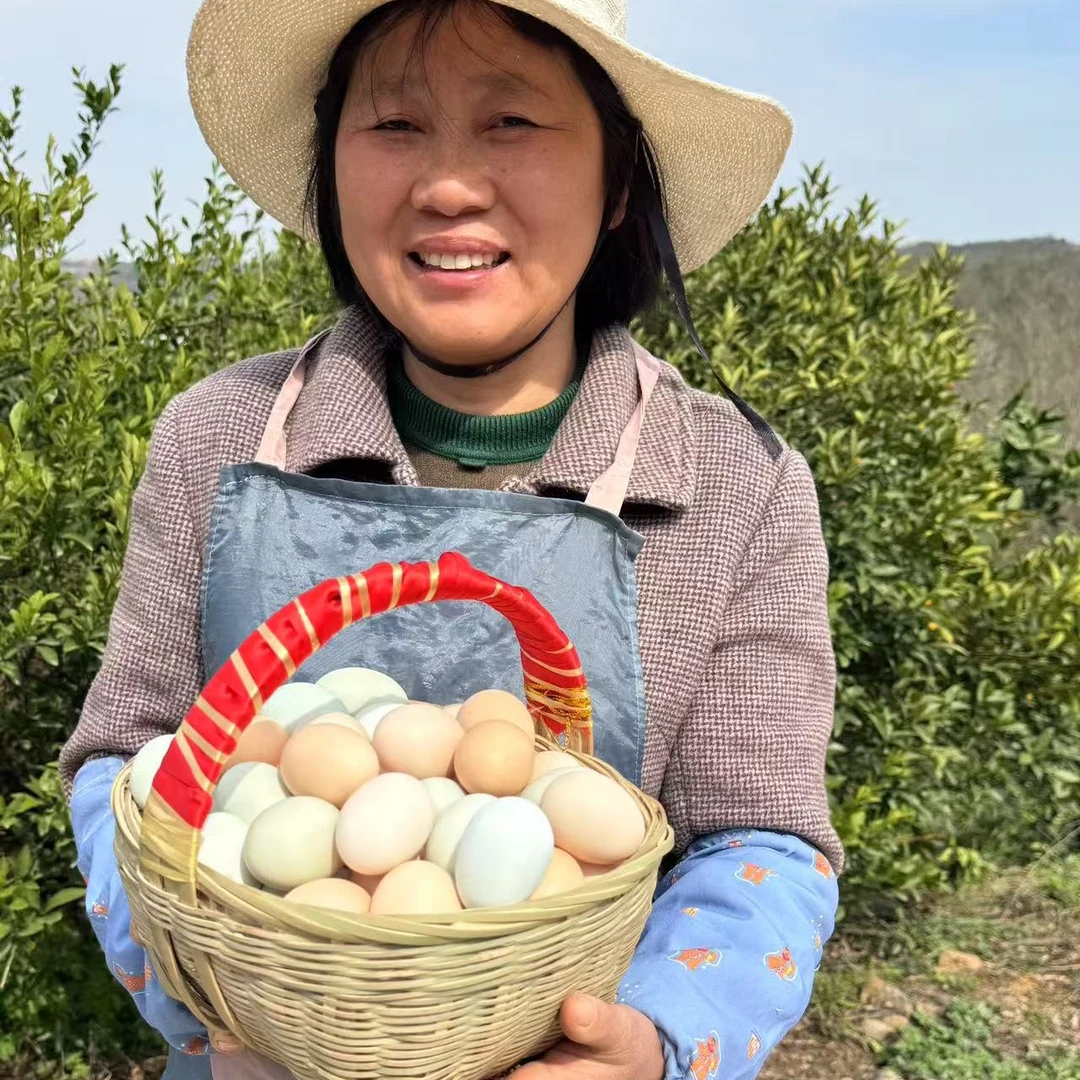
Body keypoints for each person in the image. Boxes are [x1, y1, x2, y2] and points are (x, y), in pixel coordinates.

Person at [62, 2, 842, 1079]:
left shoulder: (735, 483)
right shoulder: (221, 436)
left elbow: (761, 840)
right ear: (332, 167)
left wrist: (656, 1041)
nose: (449, 185)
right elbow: (126, 760)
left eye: (512, 121)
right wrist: (207, 994)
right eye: (394, 125)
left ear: (619, 179)